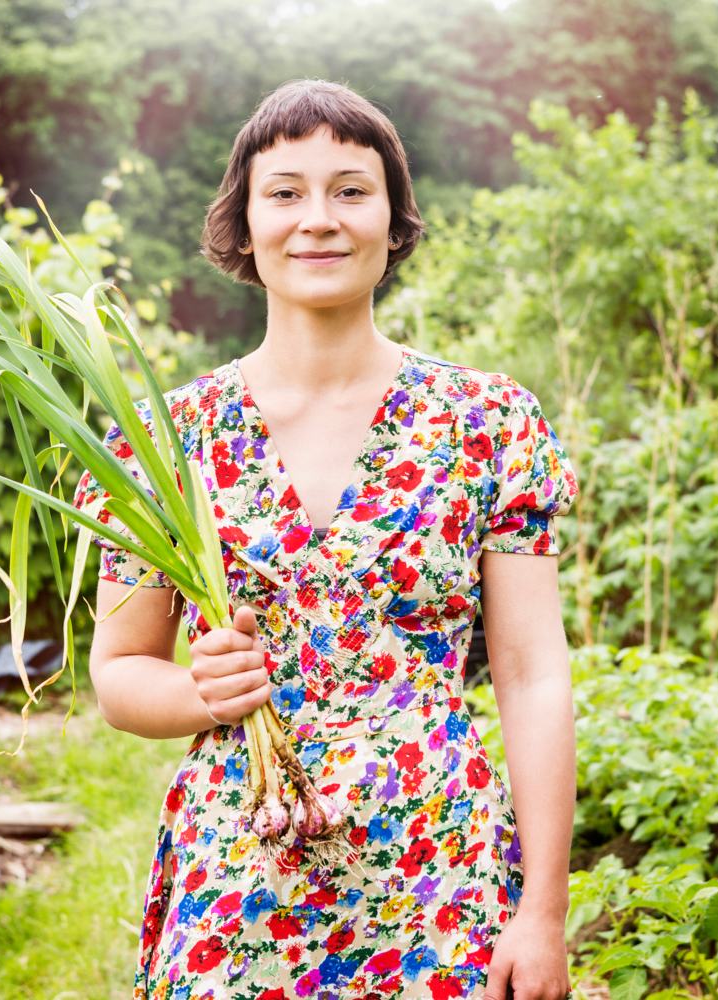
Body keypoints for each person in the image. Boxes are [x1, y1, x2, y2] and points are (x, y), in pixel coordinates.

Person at [75, 78, 578, 1000]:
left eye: (351, 190)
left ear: (394, 223)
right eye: (286, 192)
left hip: (439, 864)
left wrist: (542, 913)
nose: (319, 219)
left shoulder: (486, 420)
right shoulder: (168, 436)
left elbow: (533, 673)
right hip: (240, 869)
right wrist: (199, 690)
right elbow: (119, 673)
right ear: (244, 226)